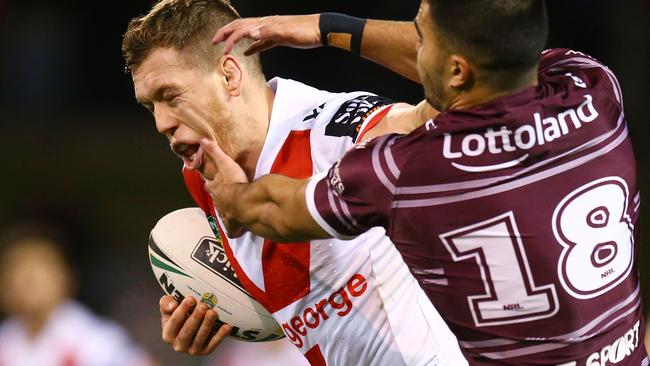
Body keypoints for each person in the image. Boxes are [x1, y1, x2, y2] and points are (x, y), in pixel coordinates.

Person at [202, 0, 647, 364]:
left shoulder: (409, 170)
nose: (414, 50)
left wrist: (231, 198)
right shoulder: (592, 85)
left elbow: (278, 213)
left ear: (456, 70)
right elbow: (493, 56)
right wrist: (327, 27)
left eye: (422, 37)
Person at [122, 0, 467, 365]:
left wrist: (328, 27)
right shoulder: (205, 176)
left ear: (229, 76)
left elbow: (468, 82)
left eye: (170, 96)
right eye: (150, 106)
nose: (162, 123)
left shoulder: (339, 134)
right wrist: (211, 309)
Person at [0, 225, 152, 366]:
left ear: (65, 278)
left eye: (35, 277)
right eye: (18, 276)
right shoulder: (5, 341)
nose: (27, 286)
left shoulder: (92, 339)